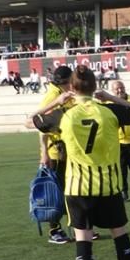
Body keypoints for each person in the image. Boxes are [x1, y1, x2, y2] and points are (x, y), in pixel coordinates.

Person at [39, 65, 130, 260]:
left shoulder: (65, 115)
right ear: (94, 85)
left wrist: (57, 101)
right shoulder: (109, 112)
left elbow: (31, 120)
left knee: (83, 239)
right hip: (108, 185)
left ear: (72, 88)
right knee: (120, 235)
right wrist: (110, 97)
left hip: (78, 187)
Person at [34, 66, 75, 244]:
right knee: (55, 191)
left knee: (70, 189)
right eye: (69, 82)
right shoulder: (53, 97)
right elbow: (41, 126)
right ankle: (54, 230)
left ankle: (77, 226)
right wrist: (44, 153)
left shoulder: (64, 93)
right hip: (55, 151)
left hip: (66, 148)